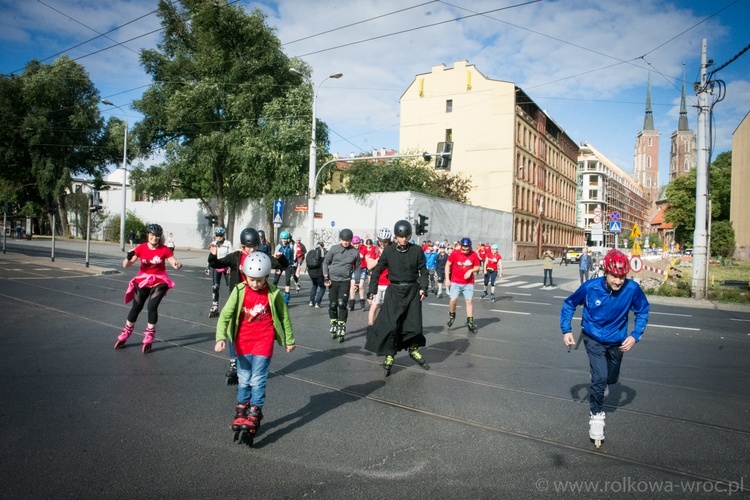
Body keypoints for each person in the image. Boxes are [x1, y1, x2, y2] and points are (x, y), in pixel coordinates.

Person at [560, 249, 649, 448]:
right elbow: (569, 304)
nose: (618, 281)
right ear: (605, 272)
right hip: (593, 337)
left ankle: (602, 383)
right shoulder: (590, 287)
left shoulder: (632, 289)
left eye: (622, 276)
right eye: (614, 276)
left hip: (617, 340)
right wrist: (566, 330)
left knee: (611, 378)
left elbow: (643, 310)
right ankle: (596, 416)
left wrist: (635, 336)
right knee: (599, 377)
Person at [214, 252, 295, 445]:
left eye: (260, 280)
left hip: (263, 340)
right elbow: (225, 314)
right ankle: (242, 409)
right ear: (245, 275)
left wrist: (289, 340)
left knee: (257, 379)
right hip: (242, 341)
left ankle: (254, 411)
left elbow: (284, 317)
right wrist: (220, 337)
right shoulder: (239, 290)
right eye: (252, 280)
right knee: (243, 379)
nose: (256, 284)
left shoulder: (273, 292)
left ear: (266, 276)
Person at [208, 227, 288, 384]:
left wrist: (281, 257)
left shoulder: (262, 257)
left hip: (257, 300)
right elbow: (217, 264)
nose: (251, 250)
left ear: (258, 245)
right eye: (248, 247)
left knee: (253, 331)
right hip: (238, 298)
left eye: (254, 247)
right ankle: (233, 363)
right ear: (242, 246)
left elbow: (281, 266)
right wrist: (212, 255)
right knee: (234, 328)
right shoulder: (236, 257)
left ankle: (250, 362)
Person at [365, 220, 428, 375]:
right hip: (394, 291)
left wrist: (423, 288)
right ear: (396, 237)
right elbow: (378, 270)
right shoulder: (389, 251)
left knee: (414, 324)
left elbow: (424, 271)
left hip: (412, 290)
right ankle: (389, 355)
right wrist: (372, 290)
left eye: (406, 236)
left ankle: (413, 349)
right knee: (392, 326)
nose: (404, 240)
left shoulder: (417, 250)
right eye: (400, 237)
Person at [115, 223, 182, 353]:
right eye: (152, 235)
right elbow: (126, 266)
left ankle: (149, 335)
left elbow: (173, 262)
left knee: (152, 306)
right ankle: (126, 333)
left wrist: (178, 264)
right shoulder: (141, 248)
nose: (154, 238)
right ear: (148, 235)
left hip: (160, 280)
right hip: (143, 280)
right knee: (136, 307)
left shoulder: (165, 249)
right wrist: (128, 257)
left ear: (160, 237)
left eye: (157, 236)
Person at [322, 228, 360, 342]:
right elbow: (325, 262)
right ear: (340, 239)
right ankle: (333, 321)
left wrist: (356, 282)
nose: (346, 242)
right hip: (333, 280)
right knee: (333, 304)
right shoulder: (334, 249)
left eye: (348, 240)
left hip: (345, 281)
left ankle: (341, 325)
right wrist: (325, 277)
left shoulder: (354, 252)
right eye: (344, 240)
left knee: (341, 304)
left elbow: (358, 267)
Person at [445, 237, 481, 333]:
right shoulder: (455, 253)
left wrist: (471, 270)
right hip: (455, 281)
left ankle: (470, 322)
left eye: (467, 249)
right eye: (463, 248)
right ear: (460, 246)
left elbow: (477, 266)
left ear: (470, 247)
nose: (465, 251)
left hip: (468, 283)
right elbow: (447, 265)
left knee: (469, 301)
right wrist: (447, 279)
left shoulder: (473, 255)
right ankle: (452, 315)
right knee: (453, 300)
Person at [366, 228, 392, 327]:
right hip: (377, 282)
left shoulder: (392, 249)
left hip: (389, 282)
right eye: (380, 241)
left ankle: (385, 327)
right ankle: (370, 326)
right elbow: (369, 266)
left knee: (387, 307)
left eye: (385, 242)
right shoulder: (375, 249)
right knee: (374, 305)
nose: (382, 244)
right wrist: (380, 258)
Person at [208, 227, 233, 318]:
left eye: (220, 235)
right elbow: (211, 256)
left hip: (226, 267)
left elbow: (231, 255)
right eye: (217, 235)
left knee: (230, 287)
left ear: (223, 235)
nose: (219, 237)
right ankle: (215, 307)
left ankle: (232, 306)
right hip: (216, 266)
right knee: (215, 287)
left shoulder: (228, 243)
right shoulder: (213, 244)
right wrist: (208, 267)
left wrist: (230, 266)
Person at [272, 231, 294, 304]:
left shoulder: (290, 246)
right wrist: (277, 255)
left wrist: (292, 264)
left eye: (285, 239)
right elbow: (275, 256)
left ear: (288, 239)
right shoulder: (278, 246)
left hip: (288, 265)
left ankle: (286, 300)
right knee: (275, 281)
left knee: (287, 281)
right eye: (283, 239)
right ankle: (273, 296)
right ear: (281, 239)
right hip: (280, 265)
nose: (284, 240)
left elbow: (292, 255)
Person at [348, 236, 367, 311]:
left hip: (362, 269)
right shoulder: (351, 249)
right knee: (353, 286)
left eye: (357, 243)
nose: (356, 245)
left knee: (361, 286)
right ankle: (351, 303)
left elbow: (361, 256)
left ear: (360, 243)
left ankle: (362, 303)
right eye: (354, 244)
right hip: (354, 269)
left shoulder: (363, 248)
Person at [306, 241, 326, 308]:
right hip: (318, 272)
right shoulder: (321, 251)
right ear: (322, 246)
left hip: (311, 272)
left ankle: (311, 301)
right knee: (322, 287)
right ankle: (318, 303)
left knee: (314, 285)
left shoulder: (311, 251)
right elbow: (324, 261)